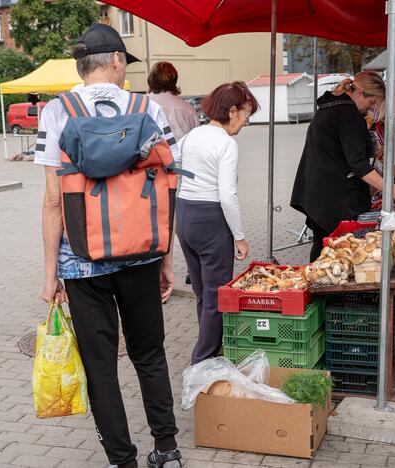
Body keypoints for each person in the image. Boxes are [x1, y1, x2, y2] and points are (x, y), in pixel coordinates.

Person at [35, 23, 182, 468]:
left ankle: (123, 460)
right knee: (150, 353)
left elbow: (52, 200)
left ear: (81, 66)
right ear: (116, 61)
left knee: (101, 365)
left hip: (82, 262)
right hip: (141, 252)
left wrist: (49, 274)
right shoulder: (147, 108)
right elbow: (168, 188)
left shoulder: (57, 112)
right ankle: (168, 448)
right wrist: (166, 257)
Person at [176, 81, 257, 364]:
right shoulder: (226, 143)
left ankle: (208, 345)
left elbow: (174, 165)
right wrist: (240, 236)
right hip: (211, 219)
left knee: (202, 293)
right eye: (246, 114)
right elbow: (227, 195)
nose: (246, 122)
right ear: (233, 110)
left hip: (184, 214)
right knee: (217, 296)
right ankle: (202, 359)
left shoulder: (192, 134)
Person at [291, 71, 395, 261]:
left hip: (316, 191)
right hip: (332, 195)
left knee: (323, 244)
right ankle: (324, 287)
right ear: (360, 93)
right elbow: (358, 164)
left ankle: (318, 285)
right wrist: (389, 189)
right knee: (335, 248)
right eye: (371, 103)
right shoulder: (348, 114)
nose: (370, 109)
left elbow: (339, 146)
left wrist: (370, 147)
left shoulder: (332, 107)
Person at [147, 61, 200, 304]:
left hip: (151, 173)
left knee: (155, 227)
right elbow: (198, 139)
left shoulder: (143, 105)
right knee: (183, 225)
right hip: (183, 172)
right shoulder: (187, 108)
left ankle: (157, 282)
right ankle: (193, 270)